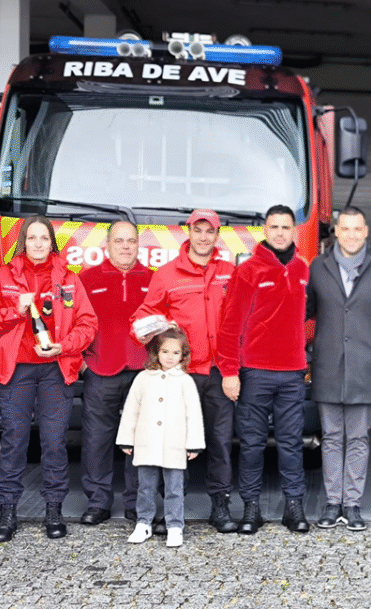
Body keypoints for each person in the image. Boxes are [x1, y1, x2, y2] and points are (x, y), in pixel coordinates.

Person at [0, 215, 97, 542]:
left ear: (52, 242)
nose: (37, 244)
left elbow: (87, 325)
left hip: (55, 369)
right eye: (31, 238)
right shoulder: (3, 277)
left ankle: (53, 511)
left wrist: (64, 346)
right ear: (23, 242)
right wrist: (14, 311)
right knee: (14, 442)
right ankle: (7, 512)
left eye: (43, 238)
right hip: (16, 369)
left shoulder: (70, 280)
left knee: (54, 443)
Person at [132, 209, 236, 533]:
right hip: (181, 375)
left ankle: (220, 507)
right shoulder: (166, 275)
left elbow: (240, 321)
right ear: (188, 232)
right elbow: (144, 318)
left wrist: (234, 369)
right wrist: (158, 329)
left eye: (210, 231)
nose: (204, 237)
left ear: (217, 235)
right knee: (175, 444)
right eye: (198, 230)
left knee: (220, 442)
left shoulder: (230, 273)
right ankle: (170, 511)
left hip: (219, 373)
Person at [306, 206, 371, 531]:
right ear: (335, 231)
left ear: (365, 232)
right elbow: (303, 309)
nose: (351, 235)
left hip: (365, 367)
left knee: (359, 438)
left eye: (357, 229)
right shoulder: (318, 267)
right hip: (328, 366)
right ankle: (333, 503)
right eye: (345, 229)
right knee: (332, 437)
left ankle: (353, 504)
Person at [218, 205, 311, 534]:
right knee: (253, 444)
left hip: (292, 373)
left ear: (293, 231)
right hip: (254, 372)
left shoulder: (303, 269)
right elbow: (230, 326)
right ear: (265, 230)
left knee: (290, 444)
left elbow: (309, 313)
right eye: (275, 227)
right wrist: (229, 371)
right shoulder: (248, 271)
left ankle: (293, 506)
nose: (281, 233)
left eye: (286, 227)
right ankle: (251, 508)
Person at [78, 220, 152, 526]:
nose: (125, 246)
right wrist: (83, 363)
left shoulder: (153, 280)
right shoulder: (85, 279)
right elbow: (73, 323)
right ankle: (98, 502)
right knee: (97, 439)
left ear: (138, 245)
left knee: (141, 439)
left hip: (142, 371)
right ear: (107, 245)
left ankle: (136, 503)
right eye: (119, 241)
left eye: (131, 241)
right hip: (100, 369)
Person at [118, 328, 205, 548]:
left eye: (175, 353)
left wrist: (194, 443)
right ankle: (143, 523)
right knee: (145, 487)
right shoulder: (143, 378)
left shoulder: (185, 381)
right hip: (146, 443)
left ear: (183, 356)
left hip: (174, 445)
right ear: (156, 353)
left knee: (174, 488)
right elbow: (131, 409)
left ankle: (175, 526)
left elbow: (193, 414)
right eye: (165, 351)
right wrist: (127, 439)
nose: (169, 357)